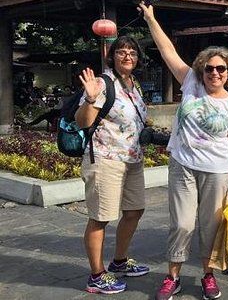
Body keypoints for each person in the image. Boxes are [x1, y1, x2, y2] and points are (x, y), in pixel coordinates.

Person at [139, 3, 228, 300]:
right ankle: (172, 276)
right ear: (202, 69)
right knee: (182, 224)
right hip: (183, 164)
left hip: (218, 170)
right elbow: (168, 52)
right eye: (209, 68)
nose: (214, 73)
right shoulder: (190, 83)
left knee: (210, 226)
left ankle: (208, 275)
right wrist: (150, 18)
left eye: (220, 69)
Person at [75, 36, 150, 295]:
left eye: (132, 52)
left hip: (133, 159)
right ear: (113, 55)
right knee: (101, 218)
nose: (127, 56)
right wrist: (89, 98)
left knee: (134, 210)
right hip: (106, 159)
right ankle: (96, 275)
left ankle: (119, 260)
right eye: (122, 52)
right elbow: (83, 122)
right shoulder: (102, 83)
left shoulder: (133, 84)